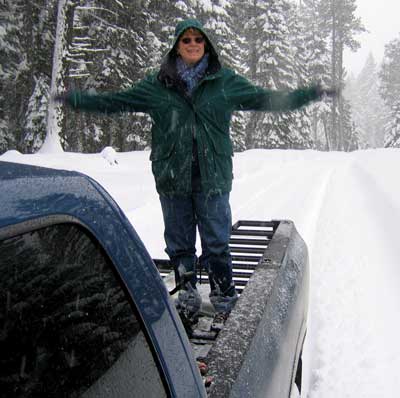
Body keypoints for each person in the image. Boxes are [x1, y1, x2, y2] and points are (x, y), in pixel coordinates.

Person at [56, 18, 336, 325]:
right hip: (172, 178)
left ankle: (224, 300)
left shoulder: (224, 82)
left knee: (217, 241)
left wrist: (310, 94)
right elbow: (117, 102)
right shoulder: (157, 85)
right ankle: (187, 296)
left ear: (207, 46)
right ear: (177, 45)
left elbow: (266, 99)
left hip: (213, 178)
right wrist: (77, 99)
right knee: (179, 243)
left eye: (197, 40)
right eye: (186, 40)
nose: (192, 44)